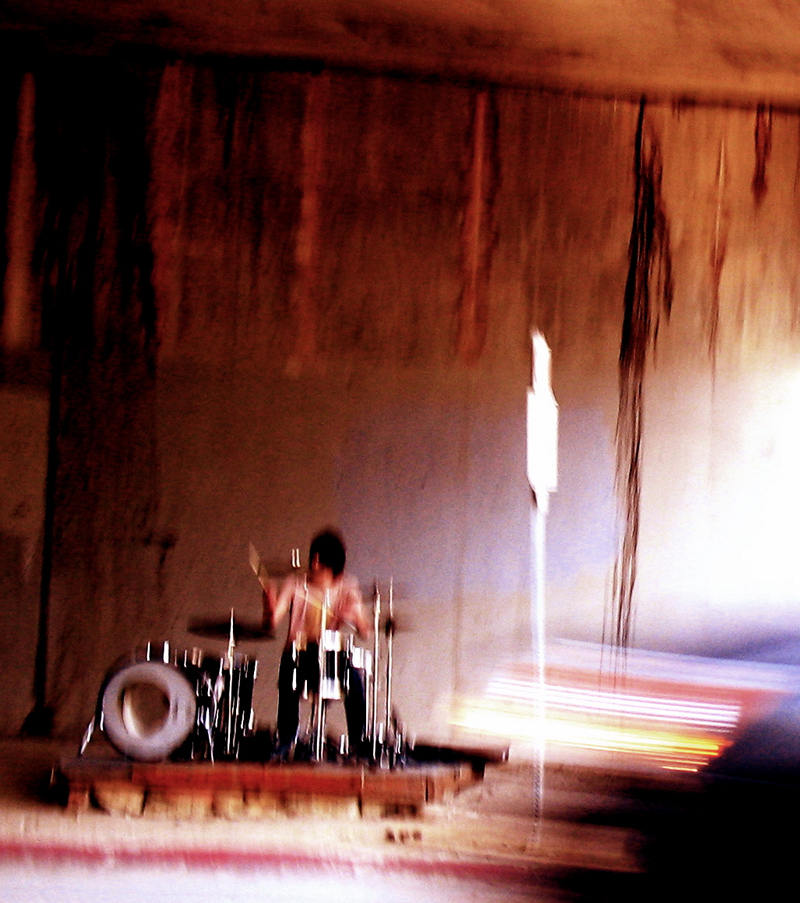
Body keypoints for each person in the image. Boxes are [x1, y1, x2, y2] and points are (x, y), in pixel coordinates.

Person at [262, 528, 371, 759]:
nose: (315, 567)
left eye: (322, 566)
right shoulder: (296, 583)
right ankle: (286, 740)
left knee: (355, 683)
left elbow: (366, 631)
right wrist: (269, 604)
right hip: (299, 651)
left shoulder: (347, 585)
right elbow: (271, 623)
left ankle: (359, 744)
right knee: (288, 676)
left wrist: (354, 615)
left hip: (331, 655)